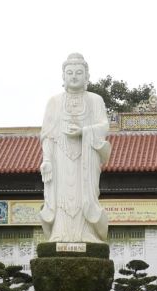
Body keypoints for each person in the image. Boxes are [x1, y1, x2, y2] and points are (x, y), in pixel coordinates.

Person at [39, 52, 112, 243]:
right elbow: (47, 135)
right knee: (62, 195)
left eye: (79, 72)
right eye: (69, 72)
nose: (74, 76)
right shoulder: (54, 102)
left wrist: (84, 131)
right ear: (63, 76)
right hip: (60, 156)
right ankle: (60, 233)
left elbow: (104, 126)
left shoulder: (95, 100)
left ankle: (86, 233)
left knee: (84, 194)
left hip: (85, 157)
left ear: (87, 76)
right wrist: (46, 159)